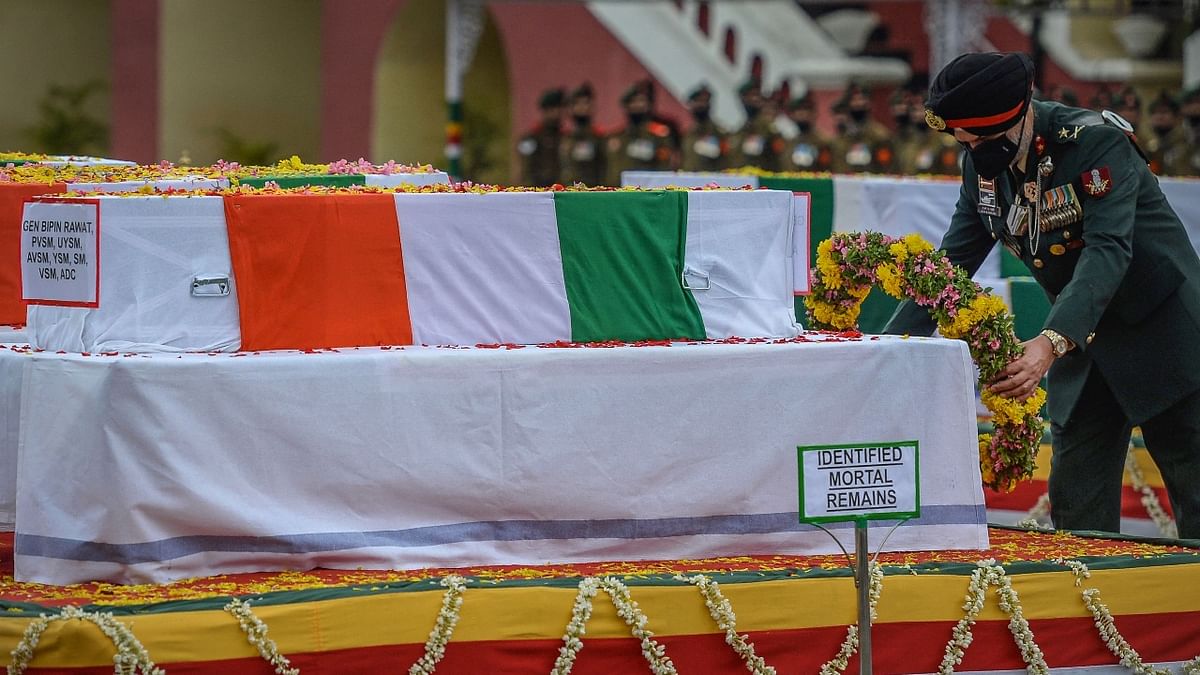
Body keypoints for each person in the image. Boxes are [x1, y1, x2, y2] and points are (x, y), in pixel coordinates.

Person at [884, 51, 1200, 538]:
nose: (970, 150)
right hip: (1085, 340)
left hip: (1161, 333)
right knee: (1077, 509)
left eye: (980, 139)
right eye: (961, 141)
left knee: (1194, 490)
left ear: (1016, 116)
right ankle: (1097, 608)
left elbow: (1108, 251)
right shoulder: (982, 167)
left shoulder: (1094, 143)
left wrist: (1050, 342)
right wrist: (887, 348)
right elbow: (950, 266)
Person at [605, 83, 674, 185]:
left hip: (647, 190)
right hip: (620, 190)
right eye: (633, 102)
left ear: (648, 105)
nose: (637, 106)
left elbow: (664, 166)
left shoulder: (658, 134)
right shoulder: (618, 136)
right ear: (626, 106)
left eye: (641, 101)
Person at [729, 79, 787, 171]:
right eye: (749, 96)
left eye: (756, 95)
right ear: (742, 99)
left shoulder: (768, 129)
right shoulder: (741, 129)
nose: (754, 99)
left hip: (762, 181)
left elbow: (780, 159)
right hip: (741, 180)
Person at [559, 83, 606, 186]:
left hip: (593, 191)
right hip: (566, 191)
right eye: (577, 104)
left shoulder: (599, 137)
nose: (582, 108)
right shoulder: (564, 137)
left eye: (585, 103)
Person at [517, 87, 565, 186]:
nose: (558, 113)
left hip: (562, 189)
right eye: (554, 109)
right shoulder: (532, 137)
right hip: (537, 189)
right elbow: (525, 167)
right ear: (546, 111)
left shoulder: (566, 136)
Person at [680, 85, 731, 172]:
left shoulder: (718, 132)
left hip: (711, 182)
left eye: (705, 101)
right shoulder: (689, 132)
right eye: (698, 101)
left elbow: (727, 159)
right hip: (688, 180)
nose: (701, 105)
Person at [1143, 90, 1192, 176]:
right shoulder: (1149, 146)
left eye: (1164, 112)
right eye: (1155, 113)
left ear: (1177, 118)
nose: (1159, 117)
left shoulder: (1187, 145)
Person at [783, 92, 833, 172]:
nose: (801, 114)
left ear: (814, 114)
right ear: (792, 115)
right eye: (798, 111)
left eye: (805, 110)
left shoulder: (824, 142)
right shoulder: (789, 143)